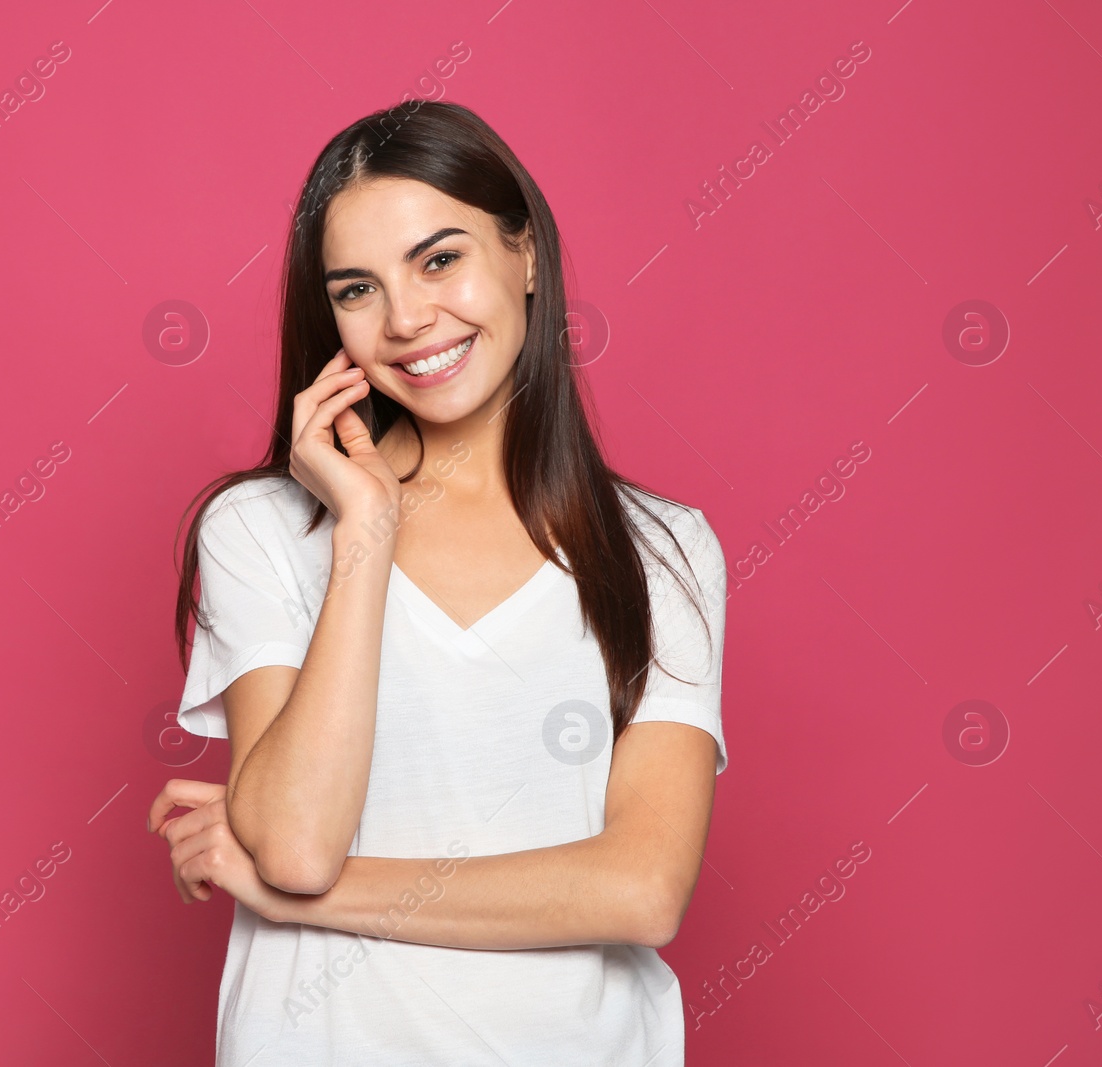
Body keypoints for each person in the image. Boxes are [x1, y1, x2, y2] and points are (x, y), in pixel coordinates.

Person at [147, 99, 727, 1066]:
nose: (408, 319)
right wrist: (365, 532)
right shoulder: (264, 529)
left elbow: (640, 890)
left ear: (527, 255)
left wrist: (310, 893)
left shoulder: (662, 548)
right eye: (356, 288)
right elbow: (293, 840)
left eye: (440, 258)